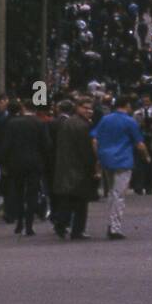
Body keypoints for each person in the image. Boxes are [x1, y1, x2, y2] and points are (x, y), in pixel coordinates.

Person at [90, 94, 150, 240]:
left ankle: (111, 222)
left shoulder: (105, 119)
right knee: (119, 195)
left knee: (111, 192)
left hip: (106, 158)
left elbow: (94, 139)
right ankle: (115, 226)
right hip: (123, 160)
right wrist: (147, 156)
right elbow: (139, 144)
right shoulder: (130, 121)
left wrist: (98, 156)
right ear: (127, 105)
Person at [1, 100, 52, 237]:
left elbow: (6, 145)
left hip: (16, 163)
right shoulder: (40, 123)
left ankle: (19, 223)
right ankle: (29, 225)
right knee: (32, 194)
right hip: (35, 163)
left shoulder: (12, 123)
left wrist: (4, 163)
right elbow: (46, 145)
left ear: (23, 108)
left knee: (18, 193)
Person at [51, 98, 98, 240]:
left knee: (68, 200)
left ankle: (61, 224)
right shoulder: (83, 126)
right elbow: (86, 151)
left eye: (91, 108)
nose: (89, 111)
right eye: (85, 108)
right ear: (77, 107)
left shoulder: (68, 122)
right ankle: (77, 230)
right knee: (81, 202)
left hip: (65, 165)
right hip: (79, 168)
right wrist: (94, 167)